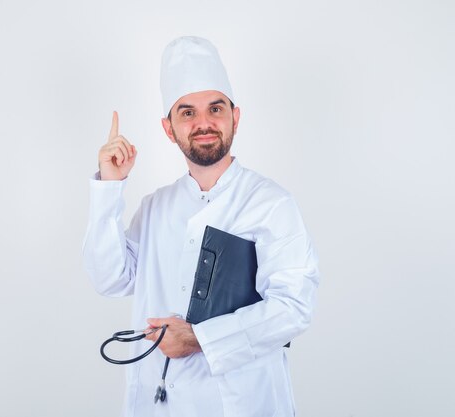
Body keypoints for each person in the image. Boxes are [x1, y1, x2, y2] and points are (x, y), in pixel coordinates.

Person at [83, 36, 320, 417]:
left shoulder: (271, 204)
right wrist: (110, 186)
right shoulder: (155, 207)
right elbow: (110, 278)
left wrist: (200, 339)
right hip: (161, 403)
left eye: (215, 108)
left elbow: (293, 307)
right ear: (168, 128)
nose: (204, 123)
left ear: (235, 117)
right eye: (187, 112)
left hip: (244, 404)